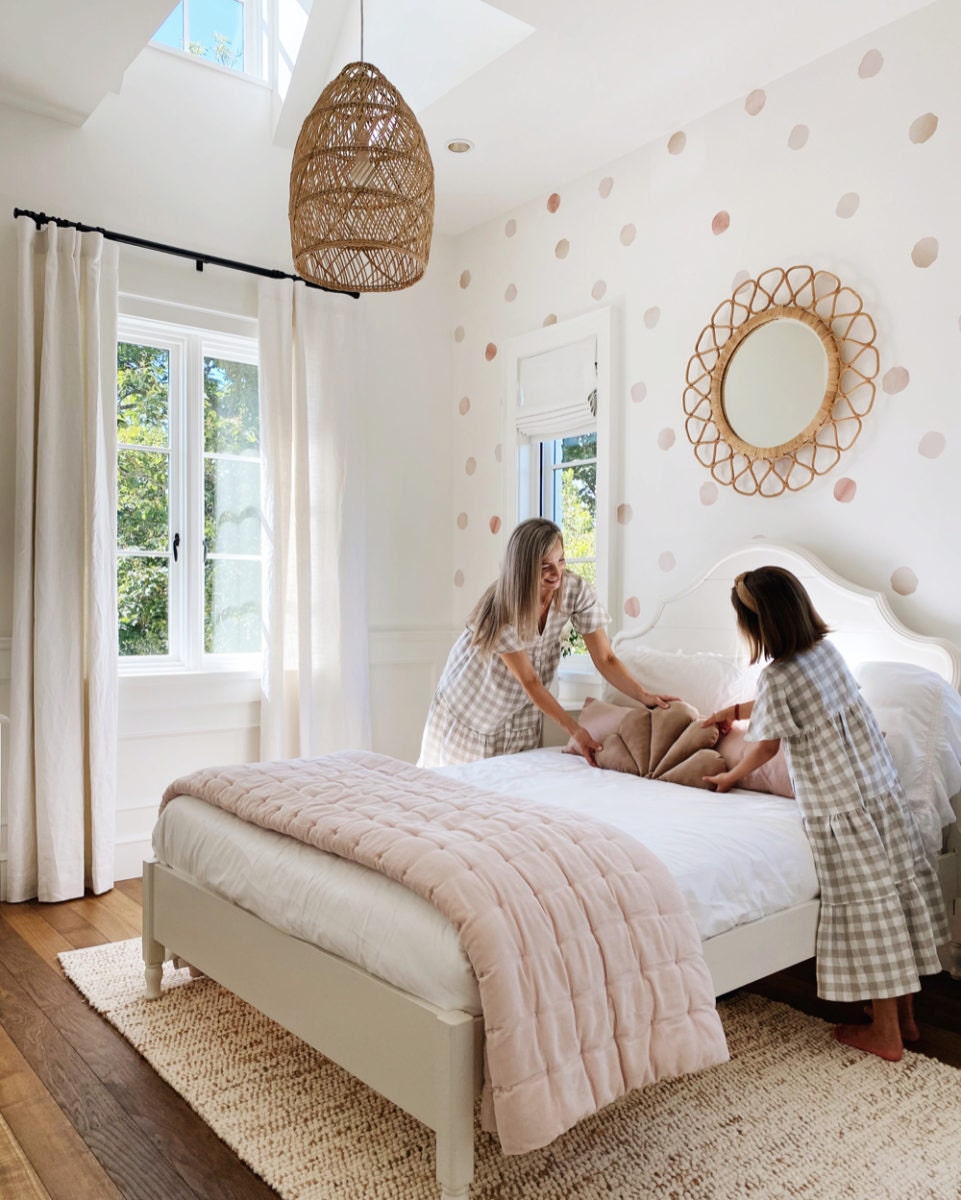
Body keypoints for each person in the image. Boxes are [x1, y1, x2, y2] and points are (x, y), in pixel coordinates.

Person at [701, 566, 948, 1062]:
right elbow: (792, 701)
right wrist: (738, 709)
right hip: (881, 797)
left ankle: (885, 1035)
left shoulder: (777, 676)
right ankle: (904, 1019)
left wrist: (730, 777)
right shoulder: (827, 655)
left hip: (839, 809)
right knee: (894, 897)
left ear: (758, 625)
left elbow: (766, 747)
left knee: (869, 912)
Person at [417, 518, 676, 769]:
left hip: (521, 710)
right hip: (473, 705)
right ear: (523, 567)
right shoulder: (503, 606)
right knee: (461, 795)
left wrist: (644, 695)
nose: (557, 573)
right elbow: (529, 680)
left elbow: (605, 658)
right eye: (545, 566)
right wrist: (575, 731)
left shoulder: (573, 590)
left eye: (561, 560)